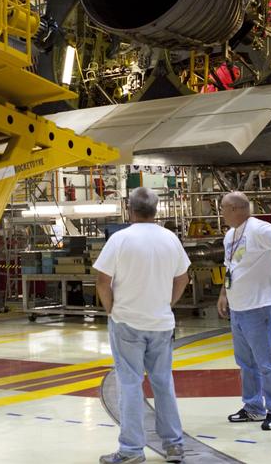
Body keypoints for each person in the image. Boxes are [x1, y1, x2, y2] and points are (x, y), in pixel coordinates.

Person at [93, 186, 191, 464]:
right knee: (163, 384)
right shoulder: (170, 239)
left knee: (130, 385)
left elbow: (103, 280)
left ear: (129, 208)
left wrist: (111, 309)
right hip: (160, 323)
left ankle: (131, 450)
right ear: (156, 209)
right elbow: (183, 278)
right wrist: (167, 304)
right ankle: (174, 445)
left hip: (127, 323)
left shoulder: (120, 239)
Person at [217, 191, 271, 430]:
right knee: (246, 362)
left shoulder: (259, 229)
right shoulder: (230, 235)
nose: (222, 213)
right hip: (238, 306)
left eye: (224, 209)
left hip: (258, 305)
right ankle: (253, 407)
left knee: (266, 361)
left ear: (237, 209)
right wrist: (223, 293)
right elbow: (230, 266)